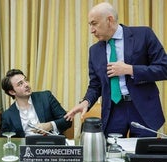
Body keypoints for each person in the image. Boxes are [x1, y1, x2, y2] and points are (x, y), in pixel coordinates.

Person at [65, 2, 167, 138]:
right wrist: (86, 102)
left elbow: (164, 68)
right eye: (90, 25)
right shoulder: (94, 51)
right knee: (111, 154)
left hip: (142, 109)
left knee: (143, 155)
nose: (91, 30)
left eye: (94, 23)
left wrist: (130, 69)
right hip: (113, 110)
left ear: (110, 20)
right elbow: (95, 85)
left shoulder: (143, 35)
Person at [1, 69, 72, 137]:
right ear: (12, 92)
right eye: (20, 84)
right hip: (26, 148)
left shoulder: (46, 97)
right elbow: (4, 140)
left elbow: (67, 120)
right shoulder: (8, 115)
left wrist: (50, 125)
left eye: (25, 80)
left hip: (50, 145)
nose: (26, 84)